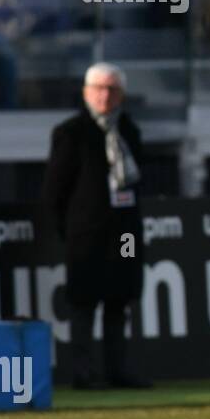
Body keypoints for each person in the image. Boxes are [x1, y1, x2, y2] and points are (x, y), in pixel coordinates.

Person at [40, 63, 152, 389]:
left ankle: (118, 370)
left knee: (119, 303)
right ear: (86, 92)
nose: (105, 96)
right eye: (99, 88)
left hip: (125, 233)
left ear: (122, 95)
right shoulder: (71, 133)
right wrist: (67, 231)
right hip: (86, 234)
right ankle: (83, 373)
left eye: (112, 89)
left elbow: (137, 183)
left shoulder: (129, 131)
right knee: (83, 305)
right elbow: (54, 191)